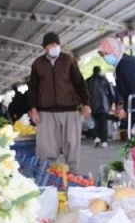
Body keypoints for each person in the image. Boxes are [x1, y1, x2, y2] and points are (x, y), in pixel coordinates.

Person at [28, 32, 90, 173]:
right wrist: (33, 108)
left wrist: (86, 103)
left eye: (56, 44)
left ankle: (73, 176)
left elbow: (80, 83)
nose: (54, 47)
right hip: (46, 112)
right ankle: (48, 176)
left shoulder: (69, 60)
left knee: (72, 146)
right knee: (46, 148)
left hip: (70, 110)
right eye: (51, 45)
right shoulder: (38, 64)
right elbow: (33, 88)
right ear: (45, 48)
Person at [86, 66, 115, 148]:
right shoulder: (104, 80)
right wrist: (112, 102)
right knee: (103, 123)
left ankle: (96, 137)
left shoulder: (88, 81)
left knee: (93, 123)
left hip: (92, 105)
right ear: (100, 71)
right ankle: (104, 141)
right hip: (104, 105)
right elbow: (111, 92)